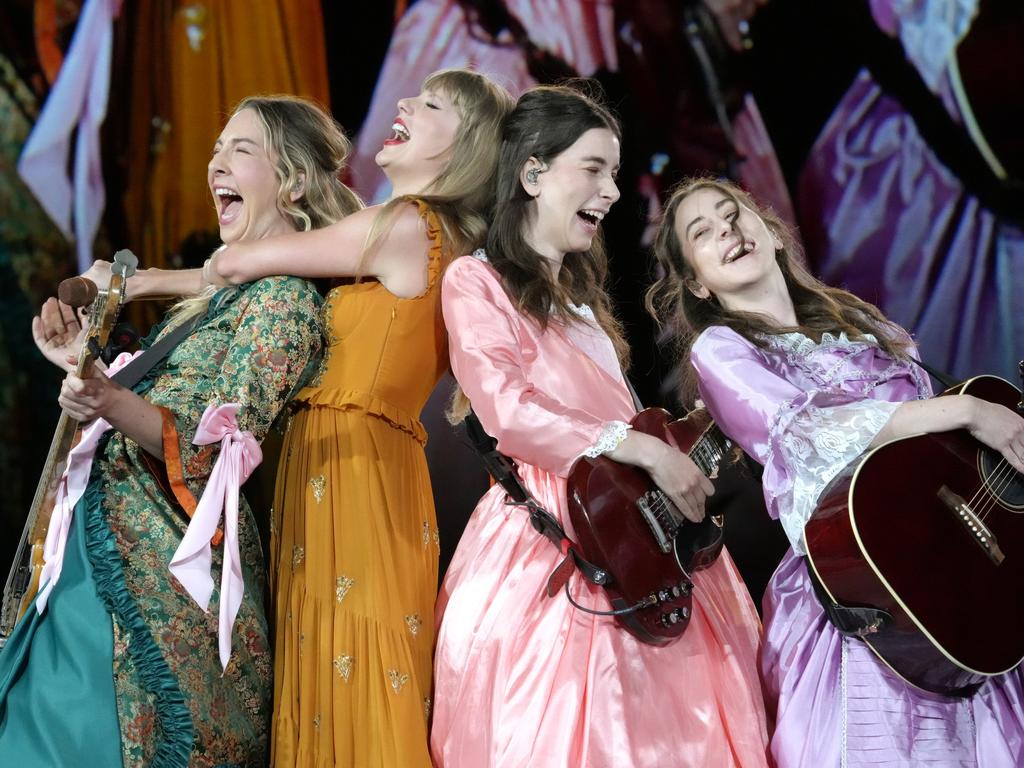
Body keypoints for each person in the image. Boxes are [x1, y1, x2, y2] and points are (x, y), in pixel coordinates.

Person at [99, 68, 515, 767]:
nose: (406, 103)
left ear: (465, 146)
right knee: (333, 675)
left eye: (432, 104)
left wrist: (152, 282)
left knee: (351, 671)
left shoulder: (408, 223)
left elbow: (242, 264)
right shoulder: (424, 234)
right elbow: (240, 269)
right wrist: (140, 285)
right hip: (343, 472)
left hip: (349, 477)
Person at [1, 95, 357, 767]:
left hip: (161, 569)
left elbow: (222, 443)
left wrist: (104, 395)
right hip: (101, 552)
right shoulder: (213, 299)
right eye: (216, 149)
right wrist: (82, 367)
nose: (216, 162)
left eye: (242, 149)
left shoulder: (285, 299)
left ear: (295, 182)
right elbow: (137, 412)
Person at [431, 86, 770, 767]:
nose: (612, 190)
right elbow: (507, 411)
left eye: (614, 173)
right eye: (594, 168)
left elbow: (618, 424)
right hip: (551, 538)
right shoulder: (476, 280)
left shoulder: (581, 303)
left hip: (640, 528)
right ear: (532, 173)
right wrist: (638, 445)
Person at [648, 176, 1024, 766]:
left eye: (734, 215)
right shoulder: (723, 350)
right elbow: (808, 430)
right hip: (860, 594)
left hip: (953, 579)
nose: (728, 230)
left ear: (771, 234)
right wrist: (967, 408)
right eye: (704, 232)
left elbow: (945, 458)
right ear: (696, 281)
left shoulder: (878, 335)